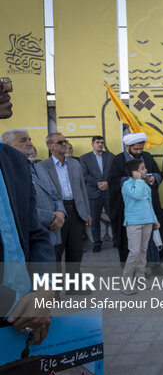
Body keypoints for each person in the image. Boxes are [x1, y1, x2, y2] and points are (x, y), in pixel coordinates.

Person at [0, 77, 54, 345]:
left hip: (29, 318)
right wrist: (12, 306)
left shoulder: (15, 162)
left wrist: (44, 291)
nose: (8, 87)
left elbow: (35, 235)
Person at [108, 132, 163, 270]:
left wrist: (153, 178)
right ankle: (135, 270)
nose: (139, 152)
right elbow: (113, 181)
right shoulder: (118, 160)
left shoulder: (147, 157)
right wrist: (134, 181)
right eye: (136, 149)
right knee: (134, 244)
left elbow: (158, 173)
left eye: (141, 149)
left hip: (149, 205)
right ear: (128, 146)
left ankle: (155, 265)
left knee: (153, 236)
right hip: (130, 208)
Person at [39, 132, 92, 293]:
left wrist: (87, 213)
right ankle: (53, 291)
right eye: (59, 142)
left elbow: (83, 189)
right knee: (55, 252)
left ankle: (73, 286)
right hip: (56, 213)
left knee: (75, 251)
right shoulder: (42, 167)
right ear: (50, 146)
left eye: (65, 141)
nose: (64, 144)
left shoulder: (75, 164)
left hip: (76, 210)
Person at [2, 129, 66, 249]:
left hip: (51, 235)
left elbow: (55, 195)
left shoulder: (39, 168)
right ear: (7, 146)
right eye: (23, 140)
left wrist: (61, 213)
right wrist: (51, 217)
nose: (30, 143)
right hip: (29, 237)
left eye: (30, 139)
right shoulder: (6, 172)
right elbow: (16, 206)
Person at [121, 158, 160, 295]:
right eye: (143, 169)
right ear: (135, 172)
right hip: (133, 223)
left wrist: (154, 219)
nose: (146, 171)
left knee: (143, 251)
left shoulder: (144, 185)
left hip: (147, 221)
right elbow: (136, 196)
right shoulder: (127, 185)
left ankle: (140, 278)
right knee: (134, 252)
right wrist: (138, 180)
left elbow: (149, 204)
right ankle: (126, 283)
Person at [80, 135, 114, 252]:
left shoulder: (110, 156)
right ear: (92, 144)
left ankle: (116, 241)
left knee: (114, 217)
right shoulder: (84, 158)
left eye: (102, 142)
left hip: (108, 192)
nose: (100, 144)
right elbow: (84, 175)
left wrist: (107, 183)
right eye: (98, 142)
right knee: (95, 219)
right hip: (94, 192)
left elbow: (114, 172)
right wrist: (99, 183)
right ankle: (97, 243)